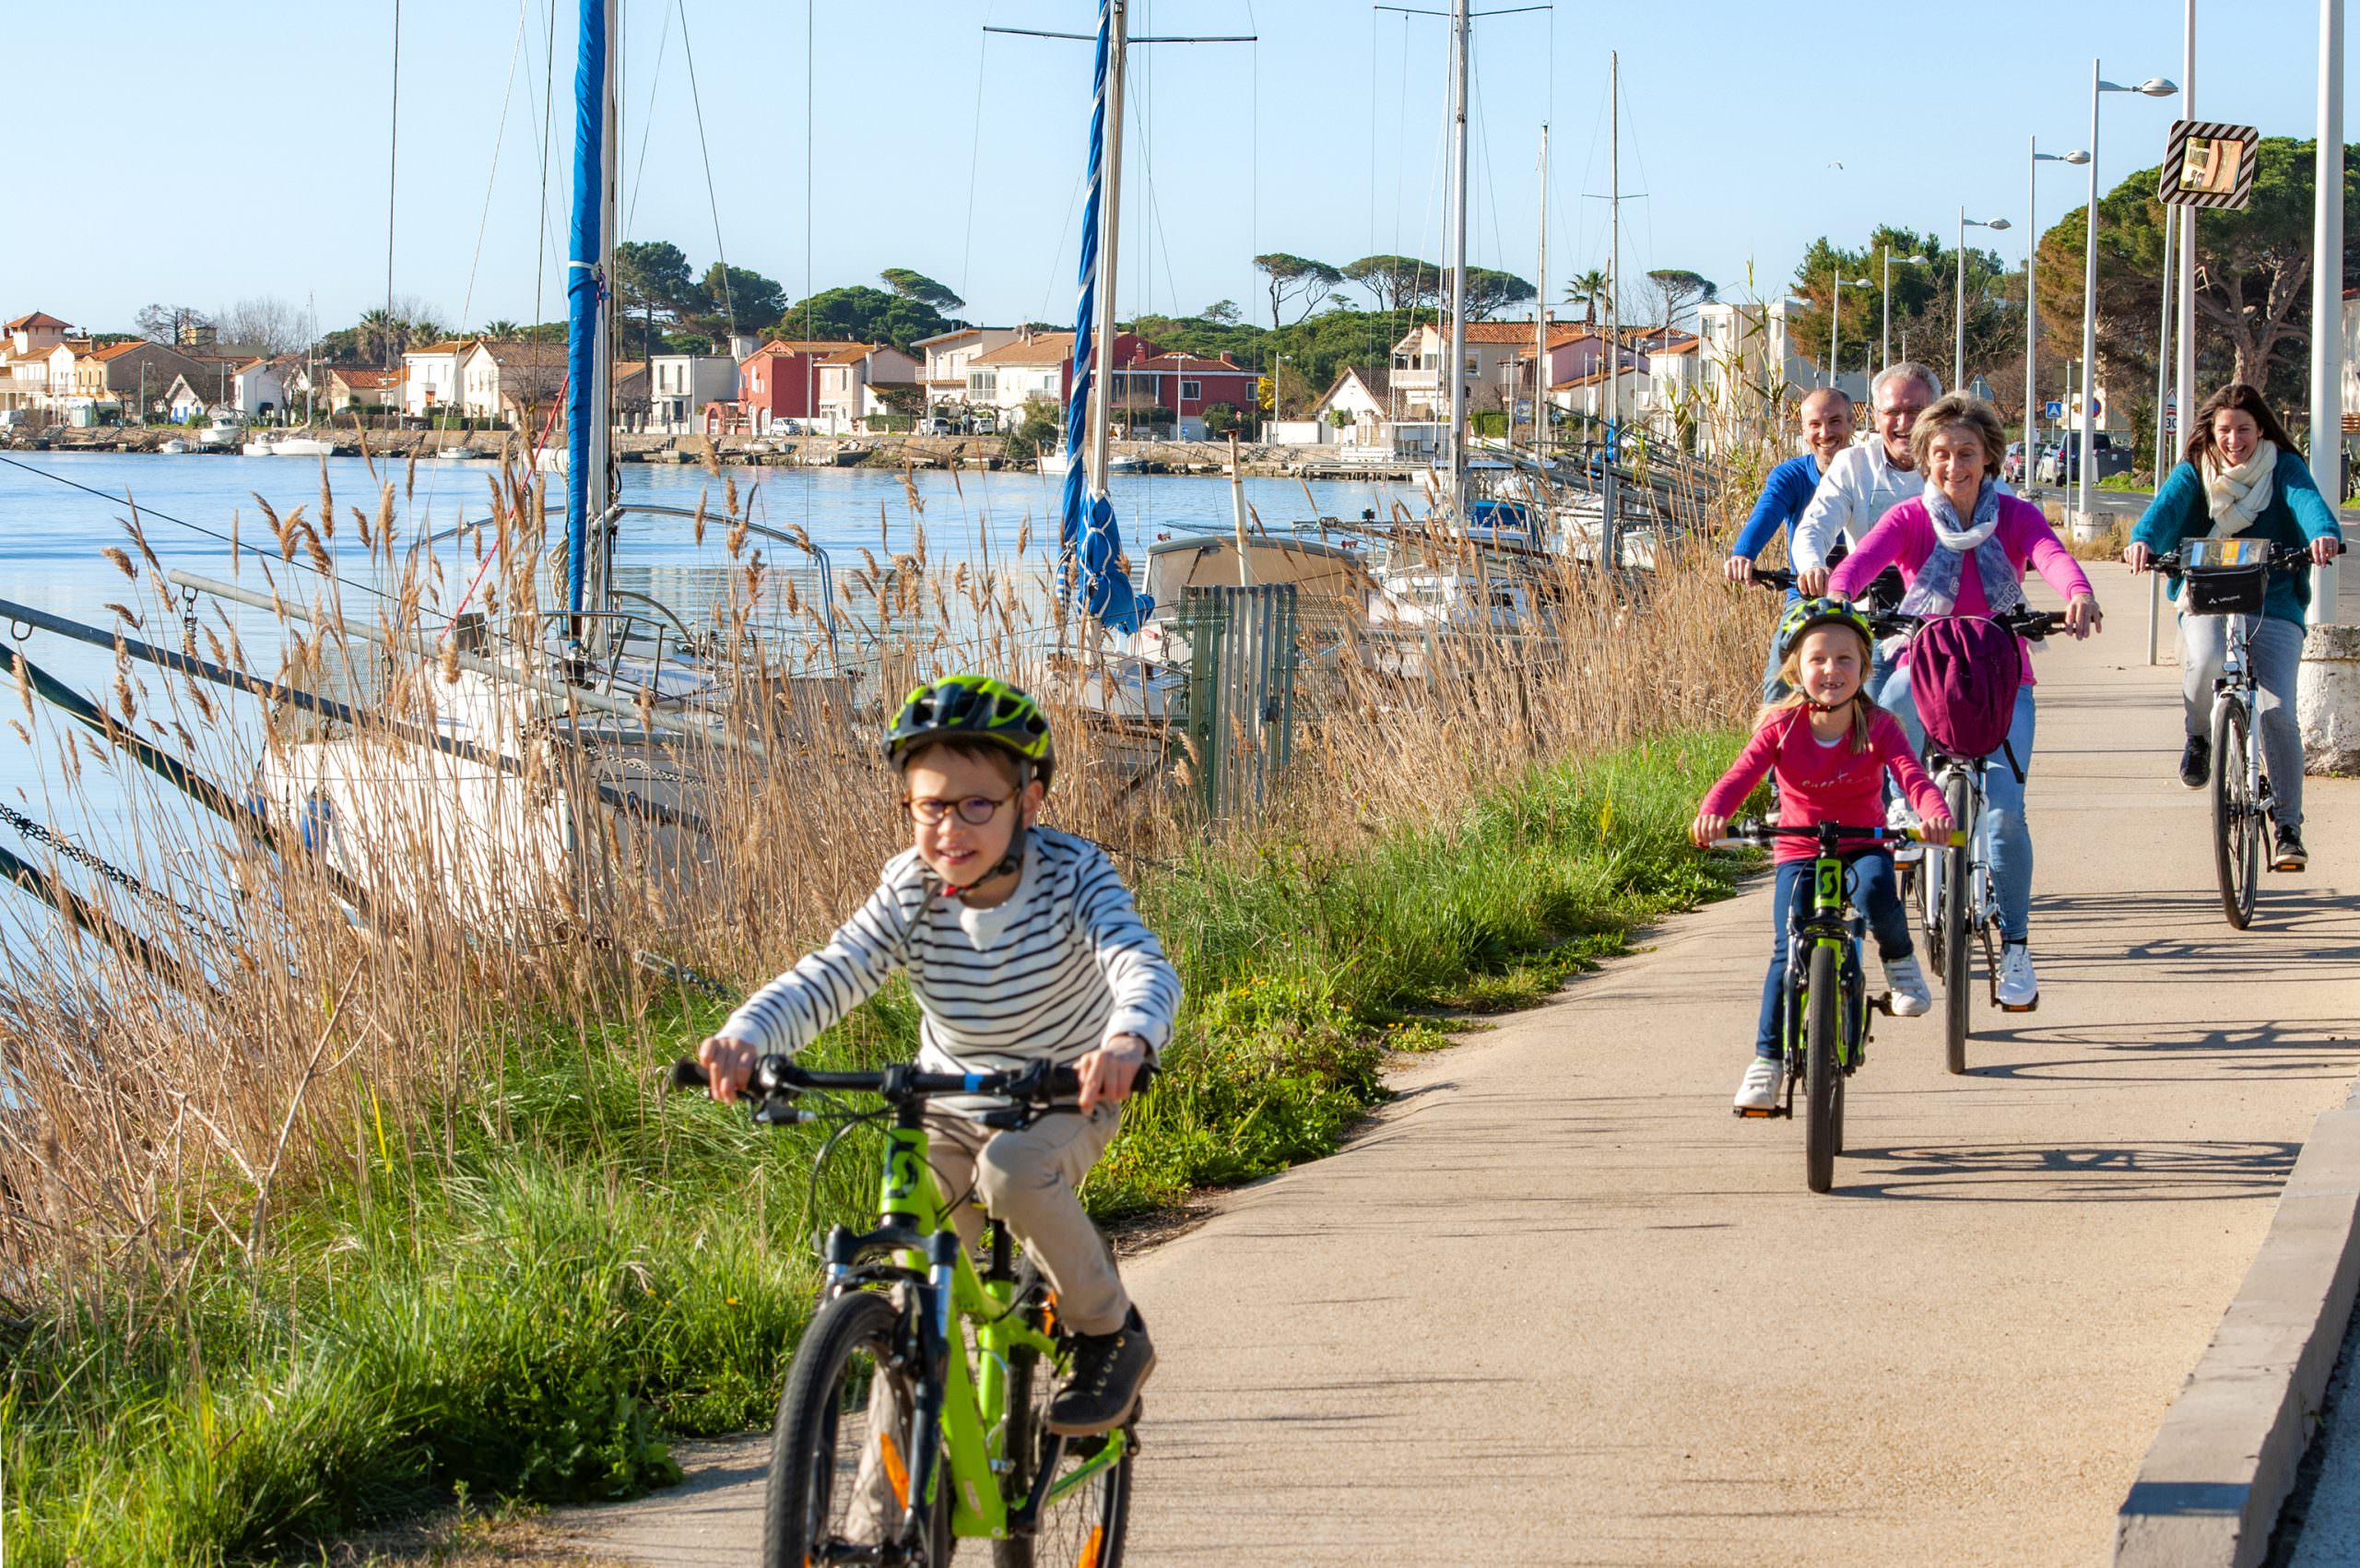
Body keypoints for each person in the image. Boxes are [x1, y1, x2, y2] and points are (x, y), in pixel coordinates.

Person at [697, 675, 1176, 1436]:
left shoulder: (1073, 876)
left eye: (976, 804)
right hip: (950, 1102)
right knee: (909, 1289)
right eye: (931, 806)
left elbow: (1138, 964)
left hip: (1064, 1096)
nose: (951, 828)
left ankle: (1107, 1329)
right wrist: (748, 1035)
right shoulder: (911, 886)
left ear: (1030, 800)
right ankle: (882, 1520)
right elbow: (835, 971)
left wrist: (1128, 1039)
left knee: (1013, 1173)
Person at [1827, 394, 2100, 1011]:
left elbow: (2053, 557)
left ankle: (2018, 948)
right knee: (1885, 697)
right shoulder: (1909, 520)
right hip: (1924, 664)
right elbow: (1860, 564)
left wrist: (2078, 591)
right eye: (1943, 453)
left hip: (2002, 676)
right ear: (1926, 459)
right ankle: (1900, 806)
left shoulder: (2015, 516)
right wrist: (1839, 594)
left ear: (1989, 458)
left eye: (1968, 453)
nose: (1955, 465)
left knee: (2005, 814)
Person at [1693, 598, 1953, 1112]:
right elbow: (1739, 776)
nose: (1831, 670)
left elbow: (1912, 775)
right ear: (1796, 669)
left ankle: (1900, 962)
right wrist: (1712, 812)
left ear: (1864, 667)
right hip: (1799, 847)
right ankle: (1766, 1063)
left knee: (1880, 890)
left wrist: (1934, 812)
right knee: (1785, 948)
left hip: (1862, 842)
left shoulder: (1877, 725)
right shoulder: (1781, 727)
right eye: (1818, 660)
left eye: (1845, 659)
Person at [2126, 382, 2343, 870]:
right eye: (2224, 429)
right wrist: (2142, 541)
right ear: (2211, 431)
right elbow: (2162, 513)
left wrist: (2323, 535)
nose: (2233, 439)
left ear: (2260, 429)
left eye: (2243, 429)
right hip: (2205, 596)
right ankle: (2200, 736)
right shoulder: (2195, 470)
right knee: (2202, 662)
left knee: (2278, 712)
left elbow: (2308, 504)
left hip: (2275, 601)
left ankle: (2288, 825)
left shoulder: (2283, 466)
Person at [1725, 386, 1856, 700]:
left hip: (1863, 598)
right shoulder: (1792, 475)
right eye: (1815, 424)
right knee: (1779, 683)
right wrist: (1743, 554)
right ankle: (1775, 747)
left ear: (1852, 424)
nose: (1825, 433)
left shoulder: (1867, 473)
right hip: (1806, 596)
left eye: (1836, 422)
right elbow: (1767, 512)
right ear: (1804, 430)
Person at [1792, 361, 1945, 601]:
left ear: (1936, 414)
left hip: (1949, 609)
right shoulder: (1853, 464)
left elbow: (2005, 515)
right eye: (1892, 412)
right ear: (1875, 417)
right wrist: (1813, 565)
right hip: (1871, 611)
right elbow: (1815, 525)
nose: (1904, 423)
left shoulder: (1961, 465)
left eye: (1915, 412)